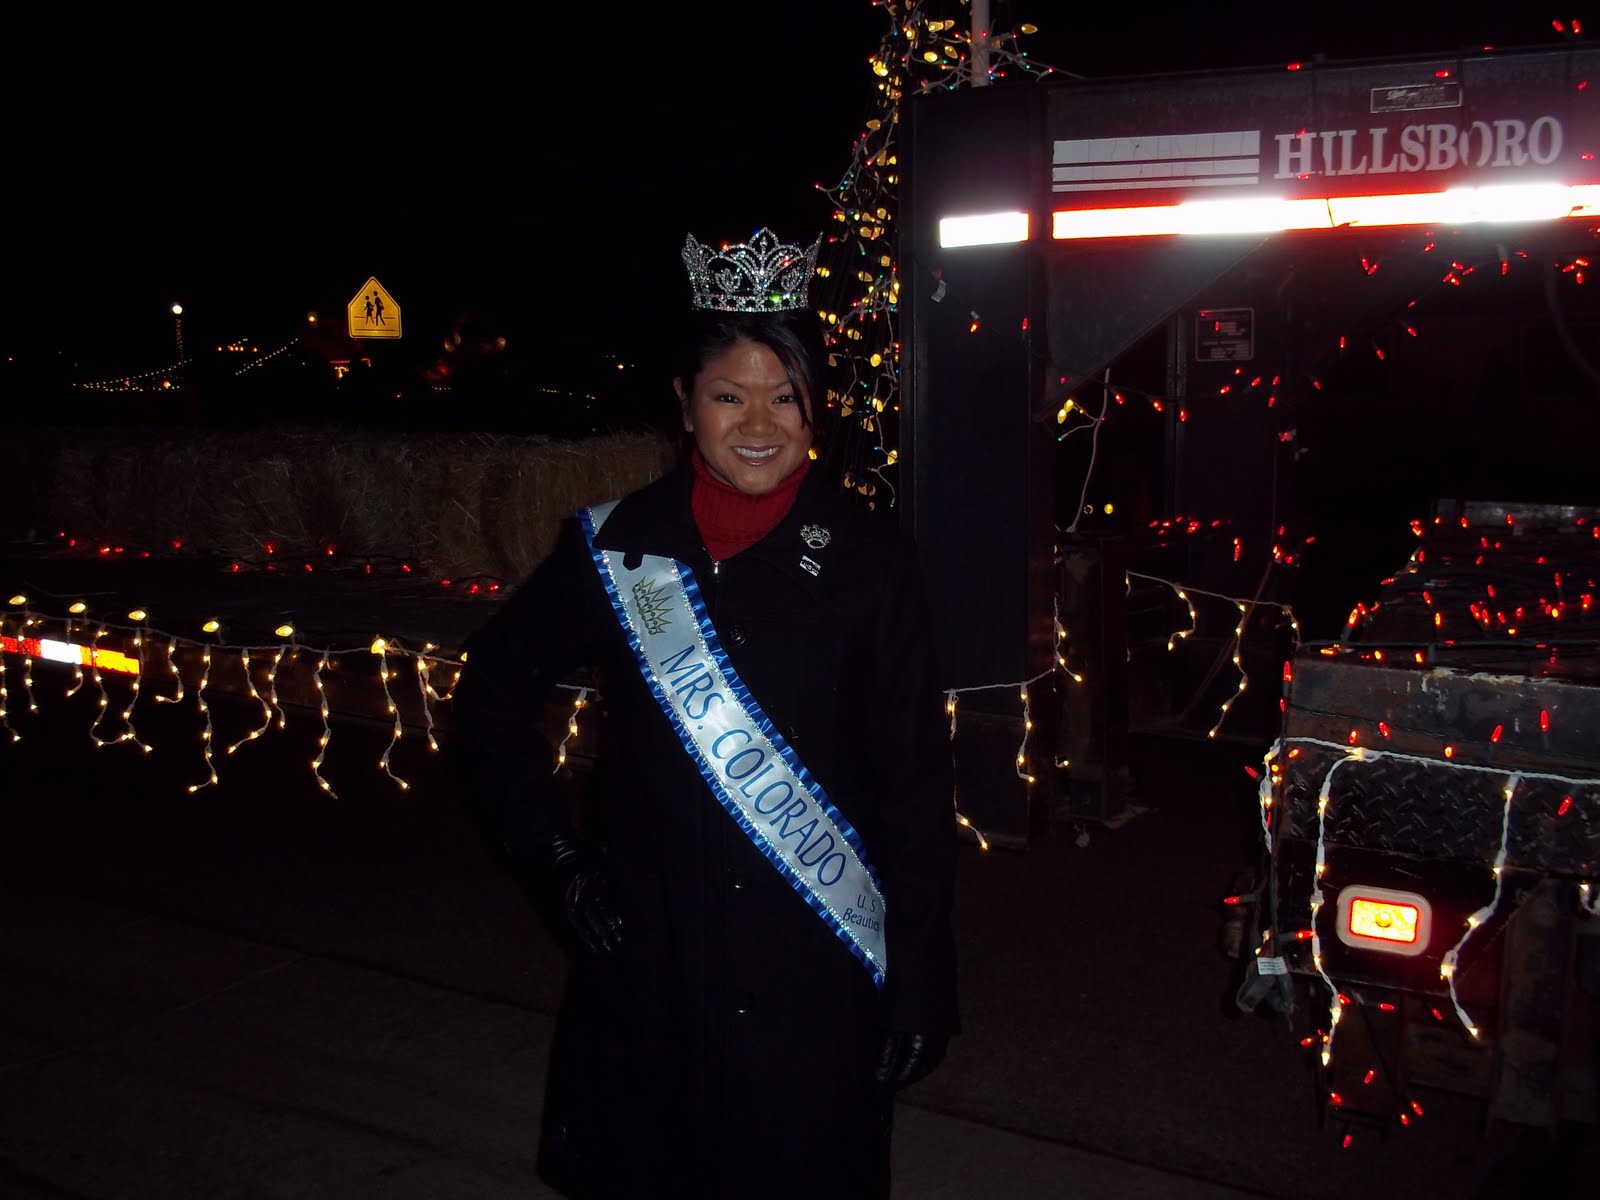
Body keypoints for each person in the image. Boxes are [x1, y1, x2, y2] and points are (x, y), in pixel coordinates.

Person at [448, 224, 959, 1199]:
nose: (758, 423)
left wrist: (922, 977)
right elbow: (490, 700)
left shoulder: (870, 560)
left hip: (815, 975)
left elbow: (913, 785)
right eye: (730, 395)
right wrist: (557, 866)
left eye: (785, 396)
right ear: (685, 406)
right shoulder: (616, 549)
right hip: (654, 974)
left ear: (817, 410)